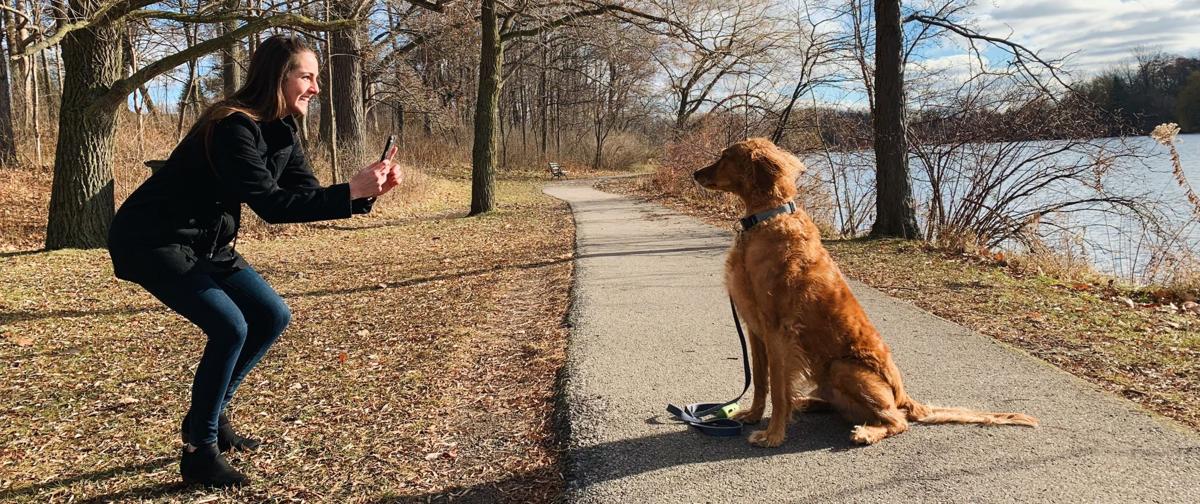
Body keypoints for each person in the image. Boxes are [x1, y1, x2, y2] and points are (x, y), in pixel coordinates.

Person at [107, 34, 399, 487]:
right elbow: (271, 204)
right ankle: (198, 449)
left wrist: (364, 191)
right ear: (276, 78)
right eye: (307, 76)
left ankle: (213, 415)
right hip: (151, 240)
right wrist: (353, 192)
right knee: (230, 326)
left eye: (317, 78)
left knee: (270, 314)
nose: (316, 88)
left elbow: (303, 194)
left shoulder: (282, 129)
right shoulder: (232, 126)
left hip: (205, 244)